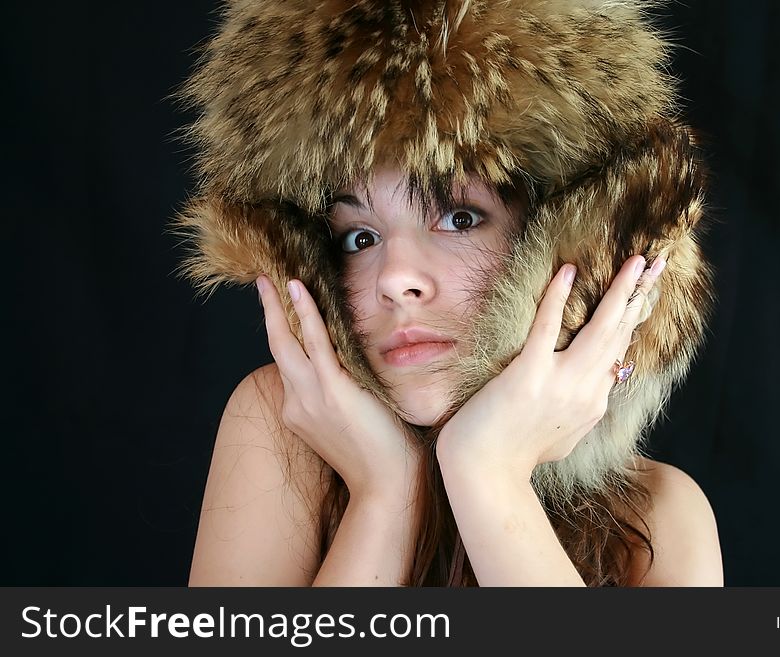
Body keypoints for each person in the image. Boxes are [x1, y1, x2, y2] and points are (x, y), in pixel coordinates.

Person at [175, 0, 723, 586]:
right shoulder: (280, 429)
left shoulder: (662, 518)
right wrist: (384, 493)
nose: (393, 278)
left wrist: (488, 472)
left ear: (570, 239)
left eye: (459, 217)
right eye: (359, 237)